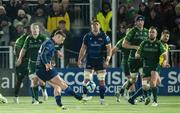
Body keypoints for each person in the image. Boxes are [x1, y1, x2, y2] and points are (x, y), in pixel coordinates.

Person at [35, 30, 86, 110]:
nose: (62, 42)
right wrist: (46, 63)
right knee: (62, 84)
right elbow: (43, 55)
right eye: (61, 40)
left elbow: (46, 52)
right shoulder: (49, 43)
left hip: (39, 70)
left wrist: (56, 51)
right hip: (44, 68)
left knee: (57, 86)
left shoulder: (49, 42)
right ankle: (79, 98)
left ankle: (60, 105)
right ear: (57, 37)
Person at [128, 26, 169, 106]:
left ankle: (155, 101)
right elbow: (138, 52)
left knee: (153, 83)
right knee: (145, 86)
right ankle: (136, 98)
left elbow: (165, 54)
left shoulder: (159, 44)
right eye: (150, 32)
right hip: (146, 66)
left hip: (155, 65)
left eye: (153, 32)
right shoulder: (144, 43)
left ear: (156, 34)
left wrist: (164, 62)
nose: (151, 33)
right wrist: (137, 55)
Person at [77, 18, 111, 105]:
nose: (95, 26)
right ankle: (84, 97)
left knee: (102, 81)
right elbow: (83, 48)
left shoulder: (104, 36)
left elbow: (109, 49)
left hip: (100, 60)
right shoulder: (87, 36)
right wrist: (79, 59)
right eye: (93, 24)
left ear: (99, 26)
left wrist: (107, 60)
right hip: (89, 60)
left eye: (97, 24)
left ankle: (102, 100)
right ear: (91, 26)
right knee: (86, 79)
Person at [16, 23, 48, 104]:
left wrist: (52, 58)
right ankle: (36, 100)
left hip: (42, 63)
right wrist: (20, 58)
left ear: (38, 29)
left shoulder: (43, 38)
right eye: (33, 29)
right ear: (31, 30)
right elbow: (23, 49)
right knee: (34, 80)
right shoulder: (28, 38)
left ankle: (44, 90)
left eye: (36, 28)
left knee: (41, 82)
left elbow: (50, 47)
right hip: (32, 63)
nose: (34, 30)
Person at [119, 15, 148, 99]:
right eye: (138, 21)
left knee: (145, 78)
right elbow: (124, 44)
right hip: (133, 59)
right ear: (135, 22)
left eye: (142, 20)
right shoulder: (132, 31)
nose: (140, 22)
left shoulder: (147, 31)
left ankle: (144, 97)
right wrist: (136, 47)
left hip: (143, 59)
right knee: (133, 80)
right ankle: (124, 90)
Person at [13, 26, 30, 104]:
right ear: (24, 31)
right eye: (27, 31)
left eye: (30, 31)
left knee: (35, 79)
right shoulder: (20, 40)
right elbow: (17, 51)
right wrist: (20, 59)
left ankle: (35, 98)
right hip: (22, 63)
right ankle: (16, 96)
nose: (28, 32)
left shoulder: (34, 40)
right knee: (19, 80)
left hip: (31, 63)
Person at [112, 38, 130, 102]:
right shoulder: (122, 40)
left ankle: (119, 92)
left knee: (131, 80)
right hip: (125, 63)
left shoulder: (135, 40)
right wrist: (108, 60)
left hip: (134, 62)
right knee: (131, 79)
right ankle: (130, 96)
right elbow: (114, 50)